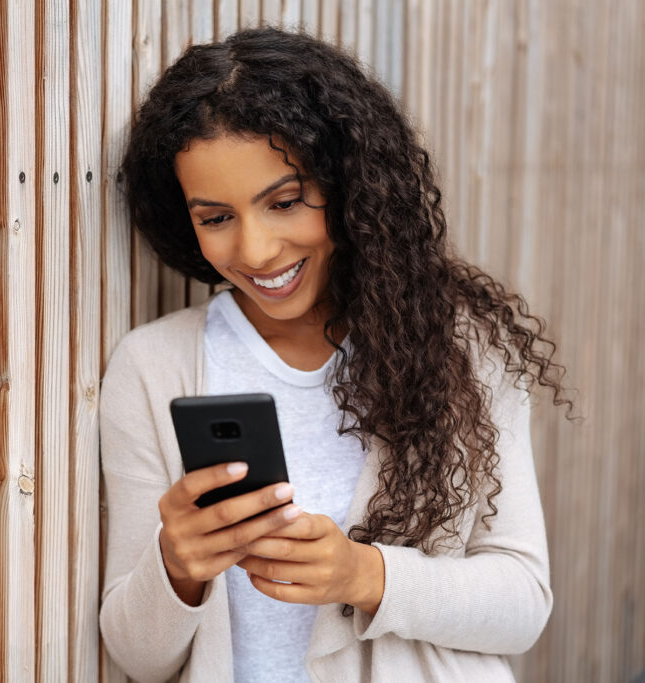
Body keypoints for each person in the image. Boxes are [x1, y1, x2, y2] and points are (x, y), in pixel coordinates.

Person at [98, 27, 572, 683]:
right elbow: (138, 656)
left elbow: (523, 603)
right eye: (216, 217)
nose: (257, 250)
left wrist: (365, 575)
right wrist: (175, 567)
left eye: (285, 201)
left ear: (350, 184)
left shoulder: (458, 347)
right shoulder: (152, 369)